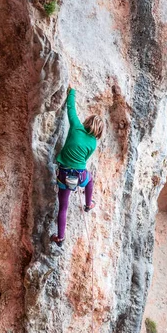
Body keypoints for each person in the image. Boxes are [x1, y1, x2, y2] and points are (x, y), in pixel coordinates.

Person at [51, 86, 104, 245]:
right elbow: (85, 159)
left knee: (63, 207)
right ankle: (88, 204)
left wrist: (71, 91)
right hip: (79, 175)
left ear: (87, 121)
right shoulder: (93, 143)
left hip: (64, 175)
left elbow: (70, 108)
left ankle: (60, 238)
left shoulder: (75, 126)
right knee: (90, 180)